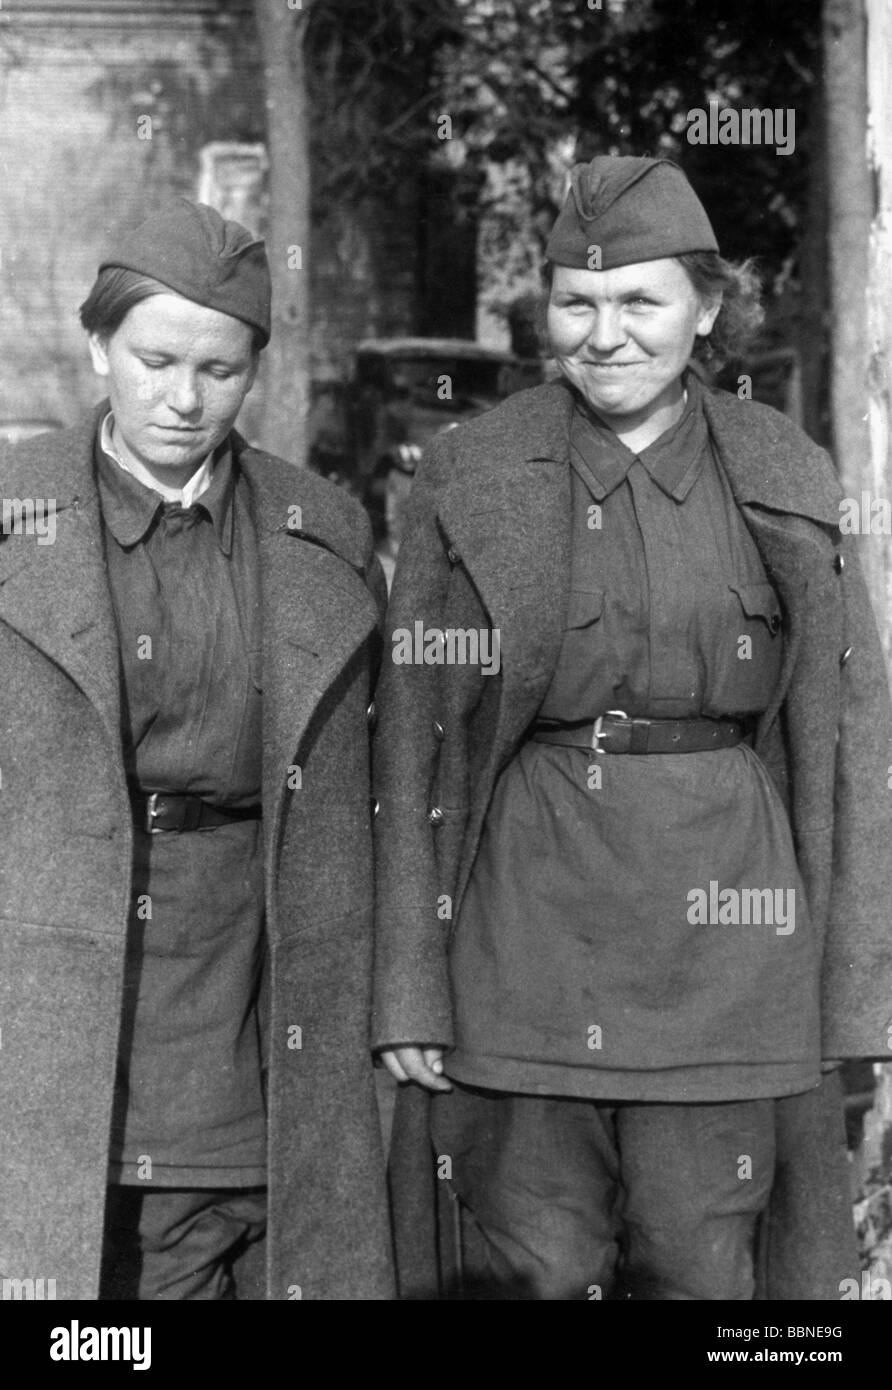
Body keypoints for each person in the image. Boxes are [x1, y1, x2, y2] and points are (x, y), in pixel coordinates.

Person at [372, 156, 892, 1300]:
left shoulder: (783, 473)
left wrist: (858, 989)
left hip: (728, 942)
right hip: (523, 937)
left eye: (641, 302)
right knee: (531, 1263)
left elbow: (852, 739)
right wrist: (409, 985)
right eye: (577, 302)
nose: (605, 334)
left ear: (706, 309)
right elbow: (410, 743)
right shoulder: (473, 471)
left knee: (704, 1263)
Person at [0, 200, 393, 1300]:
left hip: (259, 978)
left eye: (219, 370)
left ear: (253, 371)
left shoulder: (321, 533)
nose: (183, 399)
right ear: (97, 349)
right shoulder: (13, 518)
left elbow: (376, 784)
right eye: (154, 359)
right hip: (53, 977)